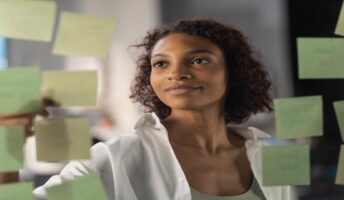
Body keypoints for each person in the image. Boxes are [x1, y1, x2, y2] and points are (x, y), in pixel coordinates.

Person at [0, 18, 293, 200]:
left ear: (233, 73)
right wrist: (7, 142)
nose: (176, 73)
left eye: (199, 60)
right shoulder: (117, 160)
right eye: (161, 63)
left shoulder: (268, 157)